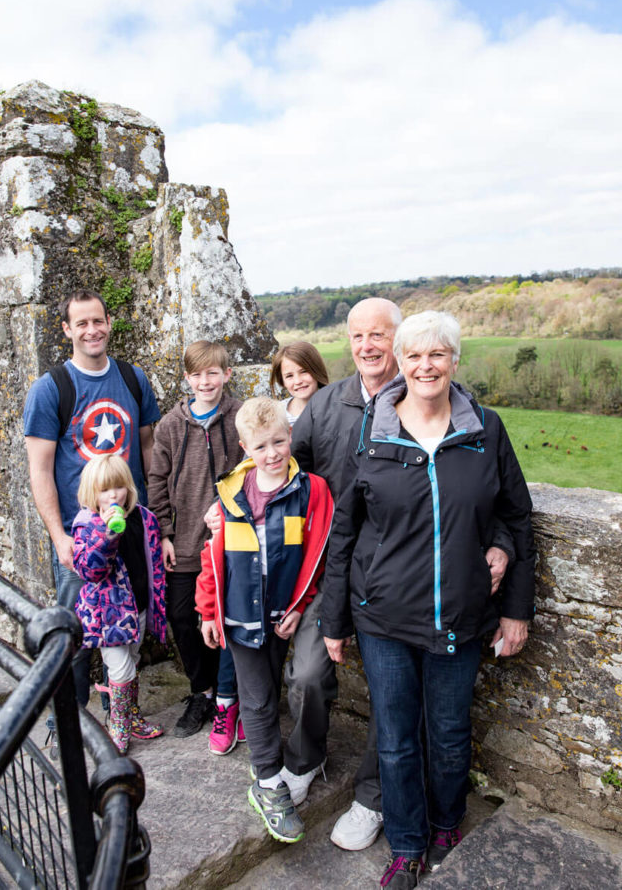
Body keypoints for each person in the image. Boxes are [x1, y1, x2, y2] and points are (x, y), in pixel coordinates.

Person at [321, 311, 535, 889]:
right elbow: (344, 531)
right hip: (384, 619)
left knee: (447, 734)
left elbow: (514, 516)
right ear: (401, 362)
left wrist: (516, 609)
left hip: (459, 617)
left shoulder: (485, 429)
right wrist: (333, 620)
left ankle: (446, 826)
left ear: (455, 361)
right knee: (394, 739)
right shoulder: (372, 431)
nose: (425, 366)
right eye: (414, 356)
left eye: (437, 355)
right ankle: (408, 845)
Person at [289, 296, 402, 848]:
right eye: (358, 337)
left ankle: (372, 799)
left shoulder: (427, 402)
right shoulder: (327, 403)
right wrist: (233, 499)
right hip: (329, 571)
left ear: (398, 341)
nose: (367, 347)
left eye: (378, 336)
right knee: (307, 674)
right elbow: (286, 471)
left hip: (396, 572)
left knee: (390, 690)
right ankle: (306, 759)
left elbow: (478, 486)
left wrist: (498, 543)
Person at [196, 397, 333, 844]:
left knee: (286, 684)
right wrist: (208, 611)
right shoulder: (229, 496)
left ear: (290, 436)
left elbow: (315, 557)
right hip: (240, 615)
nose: (272, 453)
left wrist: (298, 607)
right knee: (255, 698)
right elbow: (213, 560)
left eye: (279, 441)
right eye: (261, 446)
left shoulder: (312, 491)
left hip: (284, 610)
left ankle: (289, 758)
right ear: (244, 447)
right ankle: (268, 781)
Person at [23, 289, 160, 728]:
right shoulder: (50, 390)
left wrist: (156, 524)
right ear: (66, 330)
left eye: (97, 321)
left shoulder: (133, 378)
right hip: (79, 535)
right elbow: (40, 471)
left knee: (130, 624)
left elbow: (148, 449)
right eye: (80, 323)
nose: (91, 330)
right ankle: (70, 717)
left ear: (108, 323)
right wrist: (59, 537)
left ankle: (118, 708)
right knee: (73, 632)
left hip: (130, 530)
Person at [148, 340, 244, 748]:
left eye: (213, 372)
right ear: (186, 378)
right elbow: (156, 479)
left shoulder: (240, 416)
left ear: (227, 374)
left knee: (225, 620)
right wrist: (165, 533)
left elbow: (253, 467)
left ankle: (229, 699)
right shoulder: (170, 424)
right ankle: (202, 692)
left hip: (229, 540)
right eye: (197, 374)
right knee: (182, 617)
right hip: (184, 540)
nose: (206, 381)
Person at [72, 454, 166, 754]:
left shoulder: (143, 517)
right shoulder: (87, 524)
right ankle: (119, 724)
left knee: (133, 661)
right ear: (91, 493)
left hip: (136, 608)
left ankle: (129, 714)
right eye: (104, 490)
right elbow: (90, 570)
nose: (113, 495)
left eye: (118, 487)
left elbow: (151, 563)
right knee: (121, 669)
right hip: (107, 615)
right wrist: (107, 535)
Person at [270, 341, 329, 425]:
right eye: (289, 376)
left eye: (304, 371)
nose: (298, 381)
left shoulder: (335, 408)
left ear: (316, 370)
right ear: (282, 381)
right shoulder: (276, 415)